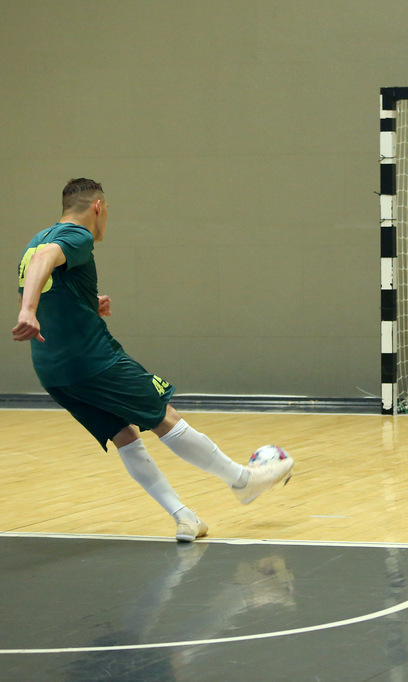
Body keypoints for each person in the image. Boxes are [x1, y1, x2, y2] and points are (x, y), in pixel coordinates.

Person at [12, 178, 294, 543]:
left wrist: (85, 302)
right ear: (98, 207)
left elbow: (47, 279)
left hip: (53, 370)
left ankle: (185, 518)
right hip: (94, 361)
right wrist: (27, 311)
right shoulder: (76, 236)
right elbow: (45, 261)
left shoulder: (37, 239)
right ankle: (244, 481)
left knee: (125, 436)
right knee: (165, 417)